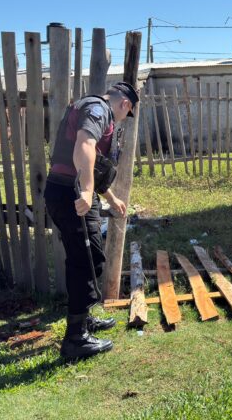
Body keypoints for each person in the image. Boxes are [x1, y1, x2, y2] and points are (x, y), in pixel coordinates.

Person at [45, 81, 139, 360]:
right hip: (70, 192)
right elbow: (84, 146)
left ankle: (83, 320)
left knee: (87, 257)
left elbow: (92, 162)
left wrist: (108, 197)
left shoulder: (89, 106)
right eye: (127, 113)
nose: (124, 119)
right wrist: (86, 190)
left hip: (71, 190)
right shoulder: (99, 110)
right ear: (125, 105)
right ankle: (75, 339)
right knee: (85, 260)